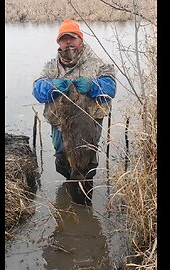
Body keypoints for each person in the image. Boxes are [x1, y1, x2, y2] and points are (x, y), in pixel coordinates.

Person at [32, 18, 116, 180]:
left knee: (87, 156)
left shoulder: (99, 64)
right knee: (62, 156)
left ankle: (84, 190)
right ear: (59, 43)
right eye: (64, 39)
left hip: (90, 121)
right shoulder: (50, 67)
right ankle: (70, 182)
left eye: (72, 38)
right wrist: (50, 86)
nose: (68, 42)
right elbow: (37, 91)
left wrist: (93, 86)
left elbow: (111, 88)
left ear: (81, 40)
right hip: (60, 122)